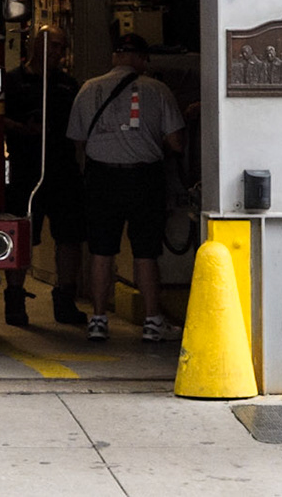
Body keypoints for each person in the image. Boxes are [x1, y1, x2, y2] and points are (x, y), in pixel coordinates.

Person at [66, 33, 185, 343]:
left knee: (101, 252)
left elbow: (79, 141)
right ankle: (151, 322)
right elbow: (176, 142)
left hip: (101, 178)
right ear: (143, 60)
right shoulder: (158, 90)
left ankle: (98, 320)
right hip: (144, 179)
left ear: (115, 57)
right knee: (146, 253)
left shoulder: (88, 89)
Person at [1, 26, 87, 326]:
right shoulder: (13, 81)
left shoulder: (67, 84)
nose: (59, 53)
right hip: (26, 167)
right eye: (54, 46)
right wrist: (22, 129)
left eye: (62, 48)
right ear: (37, 46)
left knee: (69, 236)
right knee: (21, 234)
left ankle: (65, 299)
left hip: (62, 167)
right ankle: (14, 297)